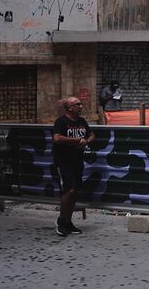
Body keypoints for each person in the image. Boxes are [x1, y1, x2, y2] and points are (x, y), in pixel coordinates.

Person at [52, 96, 95, 236]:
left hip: (78, 160)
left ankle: (68, 221)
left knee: (74, 191)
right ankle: (61, 221)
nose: (81, 106)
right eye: (78, 104)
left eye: (81, 104)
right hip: (64, 161)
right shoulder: (61, 121)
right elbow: (57, 138)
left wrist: (87, 140)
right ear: (70, 108)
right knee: (68, 191)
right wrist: (77, 140)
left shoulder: (82, 121)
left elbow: (92, 134)